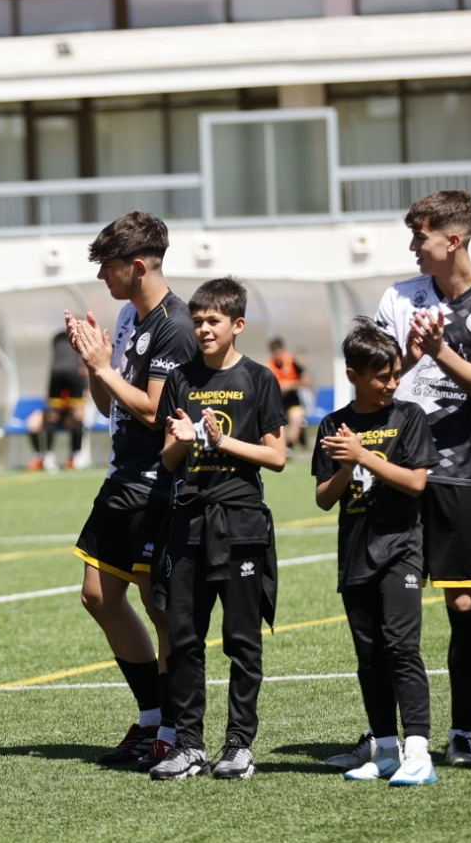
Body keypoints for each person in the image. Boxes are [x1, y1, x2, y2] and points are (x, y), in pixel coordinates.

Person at [371, 189, 471, 768]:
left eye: (421, 236)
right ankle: (389, 737)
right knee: (389, 606)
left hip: (463, 473)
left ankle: (461, 733)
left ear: (452, 240)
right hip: (396, 467)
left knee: (463, 604)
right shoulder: (399, 297)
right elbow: (376, 377)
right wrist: (412, 356)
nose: (413, 247)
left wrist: (438, 350)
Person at [65, 211, 196, 768]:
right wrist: (93, 366)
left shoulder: (176, 325)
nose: (102, 276)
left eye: (108, 266)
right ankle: (150, 716)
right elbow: (110, 405)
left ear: (138, 266)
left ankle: (172, 727)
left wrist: (104, 367)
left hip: (160, 482)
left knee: (158, 607)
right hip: (121, 478)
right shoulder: (127, 316)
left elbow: (155, 411)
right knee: (98, 595)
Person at [148, 277, 286, 781]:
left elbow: (277, 456)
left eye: (214, 321)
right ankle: (188, 745)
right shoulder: (180, 379)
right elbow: (168, 460)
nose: (204, 329)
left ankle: (239, 745)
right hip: (188, 522)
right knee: (184, 639)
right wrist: (183, 441)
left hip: (241, 523)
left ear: (237, 325)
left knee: (241, 640)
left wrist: (219, 441)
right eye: (199, 321)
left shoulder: (259, 378)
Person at [312, 321, 439, 786]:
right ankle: (386, 751)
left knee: (402, 648)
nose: (392, 384)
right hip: (355, 554)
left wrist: (364, 456)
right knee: (369, 657)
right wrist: (346, 467)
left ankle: (419, 753)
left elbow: (417, 482)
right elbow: (324, 497)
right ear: (354, 375)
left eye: (396, 374)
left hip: (401, 549)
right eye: (382, 377)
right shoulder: (332, 425)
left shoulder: (409, 417)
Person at [26, 331, 89, 472]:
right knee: (35, 421)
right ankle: (46, 456)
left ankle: (72, 456)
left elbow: (81, 410)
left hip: (67, 413)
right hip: (60, 412)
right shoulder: (73, 368)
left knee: (75, 416)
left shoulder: (58, 342)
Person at [266, 337, 308, 451]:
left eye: (279, 353)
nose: (278, 356)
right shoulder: (268, 366)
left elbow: (307, 381)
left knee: (297, 415)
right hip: (276, 403)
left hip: (292, 402)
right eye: (275, 353)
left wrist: (290, 385)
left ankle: (289, 447)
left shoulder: (292, 362)